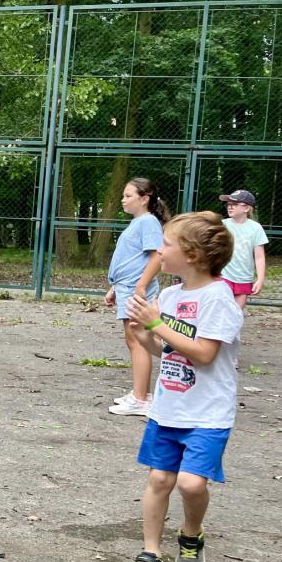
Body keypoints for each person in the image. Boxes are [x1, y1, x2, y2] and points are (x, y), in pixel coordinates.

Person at [122, 212, 242, 562]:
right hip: (168, 409)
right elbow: (169, 351)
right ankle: (151, 553)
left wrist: (157, 324)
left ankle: (191, 534)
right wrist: (145, 335)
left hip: (207, 414)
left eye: (167, 244)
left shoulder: (219, 298)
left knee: (191, 484)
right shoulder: (170, 296)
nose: (159, 251)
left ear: (192, 255)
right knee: (159, 479)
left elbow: (203, 354)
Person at [104, 177, 170, 417]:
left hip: (135, 288)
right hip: (126, 287)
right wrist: (114, 288)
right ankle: (139, 393)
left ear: (144, 199)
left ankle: (141, 399)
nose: (123, 200)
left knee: (138, 340)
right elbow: (131, 259)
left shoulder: (148, 222)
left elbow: (157, 257)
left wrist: (141, 286)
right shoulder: (139, 222)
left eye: (128, 195)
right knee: (132, 339)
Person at [218, 190, 267, 310]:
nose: (230, 207)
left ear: (246, 208)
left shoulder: (256, 228)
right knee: (221, 311)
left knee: (236, 314)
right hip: (222, 276)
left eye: (234, 204)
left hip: (244, 278)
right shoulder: (221, 225)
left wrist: (260, 279)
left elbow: (259, 257)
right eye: (228, 204)